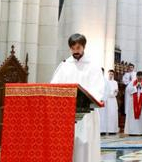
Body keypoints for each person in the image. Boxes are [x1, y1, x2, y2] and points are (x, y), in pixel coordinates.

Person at [50, 33, 106, 162]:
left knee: (84, 143)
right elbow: (54, 86)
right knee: (68, 143)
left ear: (83, 47)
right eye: (73, 48)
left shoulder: (92, 66)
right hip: (66, 113)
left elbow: (98, 88)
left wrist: (86, 99)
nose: (75, 51)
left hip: (86, 112)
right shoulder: (64, 66)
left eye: (78, 48)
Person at [100, 69, 119, 135]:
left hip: (112, 100)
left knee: (112, 114)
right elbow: (105, 90)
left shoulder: (115, 82)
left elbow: (116, 91)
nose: (110, 75)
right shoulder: (105, 81)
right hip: (106, 100)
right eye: (109, 74)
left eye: (112, 74)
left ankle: (112, 130)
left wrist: (113, 92)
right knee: (105, 115)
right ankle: (104, 130)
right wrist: (111, 92)